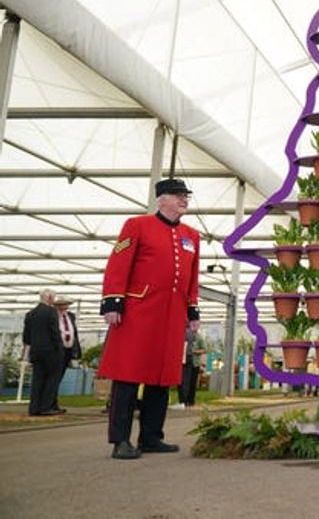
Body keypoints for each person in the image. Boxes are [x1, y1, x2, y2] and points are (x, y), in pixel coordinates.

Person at [98, 178, 201, 459]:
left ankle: (151, 437)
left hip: (172, 315)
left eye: (185, 196)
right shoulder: (137, 225)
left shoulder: (192, 235)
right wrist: (112, 301)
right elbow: (118, 263)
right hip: (138, 312)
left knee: (161, 377)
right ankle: (120, 440)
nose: (184, 200)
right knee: (128, 375)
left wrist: (192, 309)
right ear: (161, 199)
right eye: (177, 195)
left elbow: (192, 278)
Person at [21, 289, 65, 416]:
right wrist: (60, 348)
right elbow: (54, 332)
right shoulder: (51, 312)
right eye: (54, 298)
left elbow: (26, 336)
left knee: (37, 380)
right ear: (50, 297)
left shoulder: (30, 314)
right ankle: (46, 407)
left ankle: (34, 408)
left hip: (36, 351)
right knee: (51, 379)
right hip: (51, 351)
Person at [53, 296, 82, 410]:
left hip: (68, 350)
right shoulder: (53, 316)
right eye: (62, 304)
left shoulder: (71, 316)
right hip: (57, 351)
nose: (65, 307)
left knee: (60, 376)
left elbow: (74, 333)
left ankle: (54, 402)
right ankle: (51, 403)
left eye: (66, 304)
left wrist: (75, 352)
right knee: (55, 377)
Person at [174, 324, 206, 409]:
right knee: (186, 381)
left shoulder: (197, 337)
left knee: (190, 382)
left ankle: (188, 401)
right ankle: (185, 401)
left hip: (192, 362)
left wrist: (195, 351)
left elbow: (204, 349)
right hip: (187, 361)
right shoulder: (187, 335)